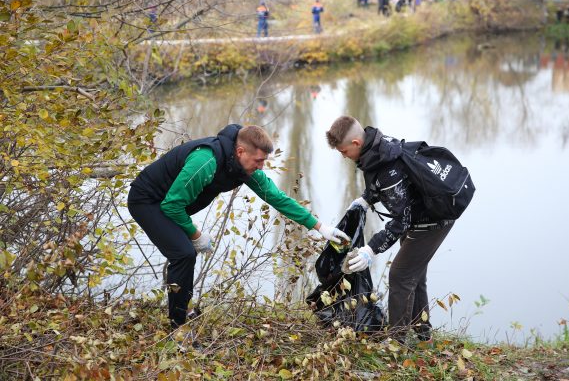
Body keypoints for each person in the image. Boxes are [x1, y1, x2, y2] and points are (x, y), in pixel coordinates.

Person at [127, 124, 348, 335]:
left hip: (168, 202)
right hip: (147, 200)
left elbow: (276, 197)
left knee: (184, 252)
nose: (261, 166)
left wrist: (320, 227)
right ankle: (178, 327)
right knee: (183, 253)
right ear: (240, 151)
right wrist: (196, 235)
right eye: (258, 160)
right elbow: (172, 205)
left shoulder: (241, 165)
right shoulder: (206, 160)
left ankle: (182, 311)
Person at [325, 116, 456, 344]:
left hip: (433, 220)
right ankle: (423, 335)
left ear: (356, 144)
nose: (343, 156)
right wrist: (365, 200)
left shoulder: (385, 165)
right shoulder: (377, 148)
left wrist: (370, 250)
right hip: (418, 214)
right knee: (413, 274)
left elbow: (401, 221)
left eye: (344, 151)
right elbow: (383, 186)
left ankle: (397, 342)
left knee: (400, 275)